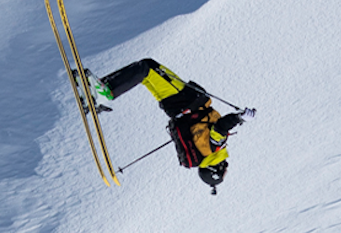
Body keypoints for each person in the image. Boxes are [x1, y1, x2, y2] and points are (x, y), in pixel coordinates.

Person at [92, 58, 253, 188]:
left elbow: (221, 127)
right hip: (176, 108)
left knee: (145, 68)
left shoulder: (214, 149)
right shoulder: (205, 153)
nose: (227, 168)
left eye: (224, 172)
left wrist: (240, 117)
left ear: (215, 169)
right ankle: (99, 89)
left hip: (183, 100)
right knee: (146, 71)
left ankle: (103, 92)